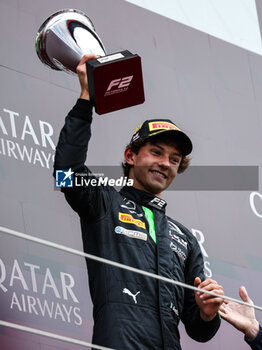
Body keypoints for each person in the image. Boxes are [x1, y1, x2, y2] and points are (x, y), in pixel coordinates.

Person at [54, 54, 224, 350]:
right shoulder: (105, 202)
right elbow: (66, 174)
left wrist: (208, 314)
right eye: (156, 152)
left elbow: (198, 329)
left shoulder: (185, 238)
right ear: (131, 156)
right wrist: (86, 100)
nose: (165, 163)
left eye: (174, 159)